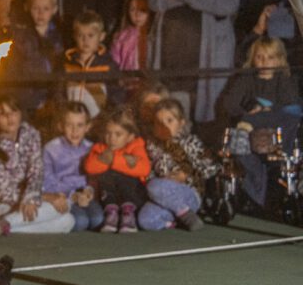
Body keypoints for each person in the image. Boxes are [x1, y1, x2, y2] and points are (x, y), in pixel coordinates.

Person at [219, 37, 301, 209]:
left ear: (279, 59)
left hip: (278, 132)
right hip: (249, 133)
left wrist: (263, 111)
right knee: (238, 144)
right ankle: (257, 194)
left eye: (270, 57)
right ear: (253, 58)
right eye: (260, 57)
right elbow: (229, 103)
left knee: (290, 116)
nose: (265, 62)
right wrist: (247, 110)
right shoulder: (246, 79)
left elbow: (291, 108)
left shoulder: (284, 80)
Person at [0, 96, 75, 235]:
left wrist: (31, 197)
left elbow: (36, 172)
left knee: (68, 221)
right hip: (3, 203)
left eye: (13, 111)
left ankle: (1, 226)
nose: (9, 117)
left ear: (20, 114)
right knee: (58, 208)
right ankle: (4, 221)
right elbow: (4, 192)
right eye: (2, 114)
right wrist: (41, 198)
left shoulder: (31, 134)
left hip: (31, 196)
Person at [140, 98, 218, 231]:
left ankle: (185, 213)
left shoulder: (191, 142)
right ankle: (177, 220)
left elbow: (211, 168)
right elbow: (149, 171)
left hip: (188, 194)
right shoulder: (152, 146)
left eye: (170, 121)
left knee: (155, 186)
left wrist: (186, 175)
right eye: (159, 123)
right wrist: (158, 180)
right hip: (163, 196)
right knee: (144, 219)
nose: (164, 126)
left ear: (181, 123)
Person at [85, 108, 152, 233]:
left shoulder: (136, 147)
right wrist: (123, 161)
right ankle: (111, 213)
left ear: (130, 137)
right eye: (108, 133)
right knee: (106, 175)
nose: (112, 139)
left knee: (124, 175)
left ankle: (128, 214)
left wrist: (113, 159)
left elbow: (144, 169)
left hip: (134, 197)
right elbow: (90, 167)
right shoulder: (100, 148)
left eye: (118, 134)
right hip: (110, 199)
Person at [41, 101, 102, 232]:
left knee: (98, 219)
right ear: (61, 126)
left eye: (80, 125)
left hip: (85, 196)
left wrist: (89, 192)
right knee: (81, 222)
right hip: (64, 197)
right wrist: (73, 195)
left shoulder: (92, 148)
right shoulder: (51, 149)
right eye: (69, 125)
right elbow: (47, 182)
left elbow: (94, 178)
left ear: (88, 126)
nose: (75, 131)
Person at [61, 10, 122, 117]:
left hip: (98, 121)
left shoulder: (108, 65)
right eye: (81, 35)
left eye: (90, 36)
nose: (85, 40)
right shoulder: (67, 63)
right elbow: (59, 91)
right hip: (73, 122)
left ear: (102, 36)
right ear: (74, 36)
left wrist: (106, 116)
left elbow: (116, 94)